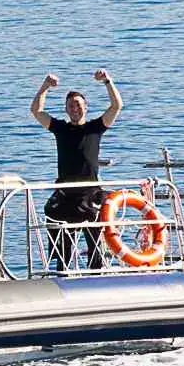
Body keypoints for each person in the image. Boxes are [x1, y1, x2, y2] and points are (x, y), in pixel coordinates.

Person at [31, 69, 123, 271]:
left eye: (78, 105)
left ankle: (96, 274)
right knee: (61, 239)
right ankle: (62, 273)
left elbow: (117, 106)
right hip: (66, 194)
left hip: (90, 194)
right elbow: (36, 111)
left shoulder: (95, 128)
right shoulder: (60, 128)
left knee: (94, 243)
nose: (75, 109)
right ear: (66, 109)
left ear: (86, 108)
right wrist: (45, 86)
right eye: (71, 106)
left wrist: (107, 81)